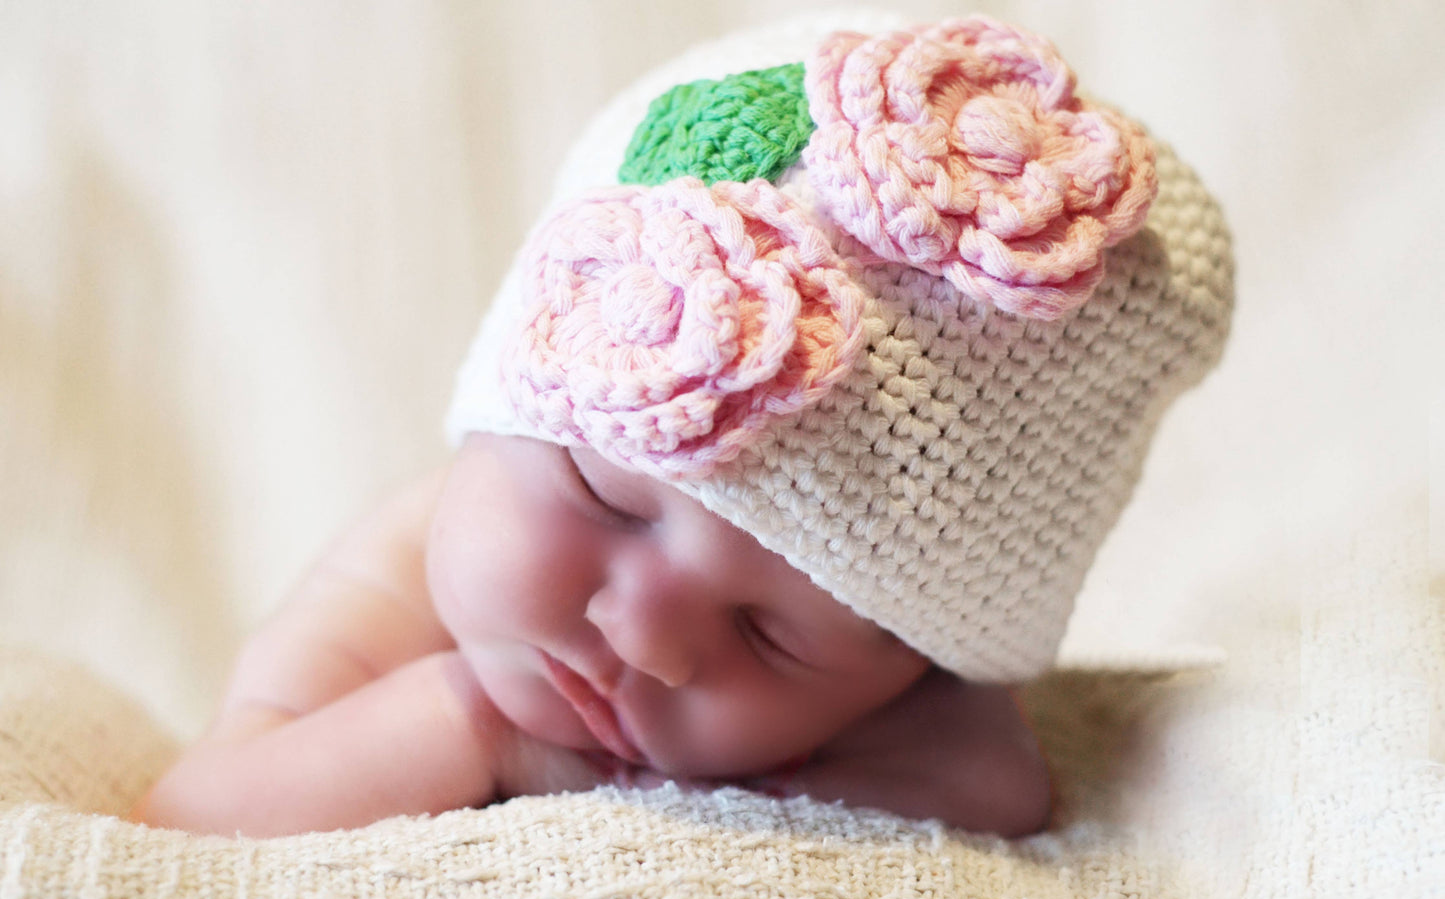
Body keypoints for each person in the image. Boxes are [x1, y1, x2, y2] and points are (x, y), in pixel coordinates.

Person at [130, 14, 1232, 839]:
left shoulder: (915, 695)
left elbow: (993, 791)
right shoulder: (407, 561)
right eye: (605, 499)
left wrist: (597, 776)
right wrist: (472, 721)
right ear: (505, 414)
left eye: (768, 635)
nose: (642, 637)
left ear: (926, 663)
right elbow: (202, 809)